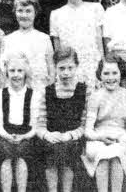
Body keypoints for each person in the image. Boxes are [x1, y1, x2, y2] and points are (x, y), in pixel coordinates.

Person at [82, 54, 126, 192]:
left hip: (121, 138)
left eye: (114, 73)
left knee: (116, 156)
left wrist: (121, 139)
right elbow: (88, 130)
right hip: (99, 138)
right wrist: (99, 137)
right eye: (106, 73)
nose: (110, 77)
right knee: (102, 156)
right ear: (100, 75)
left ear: (121, 74)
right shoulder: (95, 97)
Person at [37, 47, 89, 192]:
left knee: (66, 150)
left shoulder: (83, 90)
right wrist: (47, 135)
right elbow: (40, 125)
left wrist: (70, 135)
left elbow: (85, 124)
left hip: (73, 137)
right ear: (55, 68)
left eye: (70, 68)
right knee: (52, 150)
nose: (66, 73)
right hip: (51, 138)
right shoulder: (47, 91)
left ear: (77, 67)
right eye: (61, 68)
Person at [50, 0, 105, 88]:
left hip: (92, 66)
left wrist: (102, 67)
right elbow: (58, 49)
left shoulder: (95, 8)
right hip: (69, 69)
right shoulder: (56, 14)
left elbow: (100, 41)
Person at [0, 52, 40, 192]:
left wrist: (24, 136)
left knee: (21, 157)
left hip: (26, 135)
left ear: (25, 73)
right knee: (6, 157)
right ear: (7, 73)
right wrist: (7, 136)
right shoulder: (0, 94)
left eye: (20, 71)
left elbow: (34, 126)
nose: (16, 75)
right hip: (6, 134)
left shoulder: (33, 95)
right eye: (12, 71)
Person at [0, 0, 55, 89]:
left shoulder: (44, 39)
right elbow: (3, 73)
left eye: (28, 11)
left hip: (39, 93)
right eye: (20, 11)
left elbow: (51, 70)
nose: (24, 15)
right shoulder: (7, 40)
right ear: (15, 12)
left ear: (35, 12)